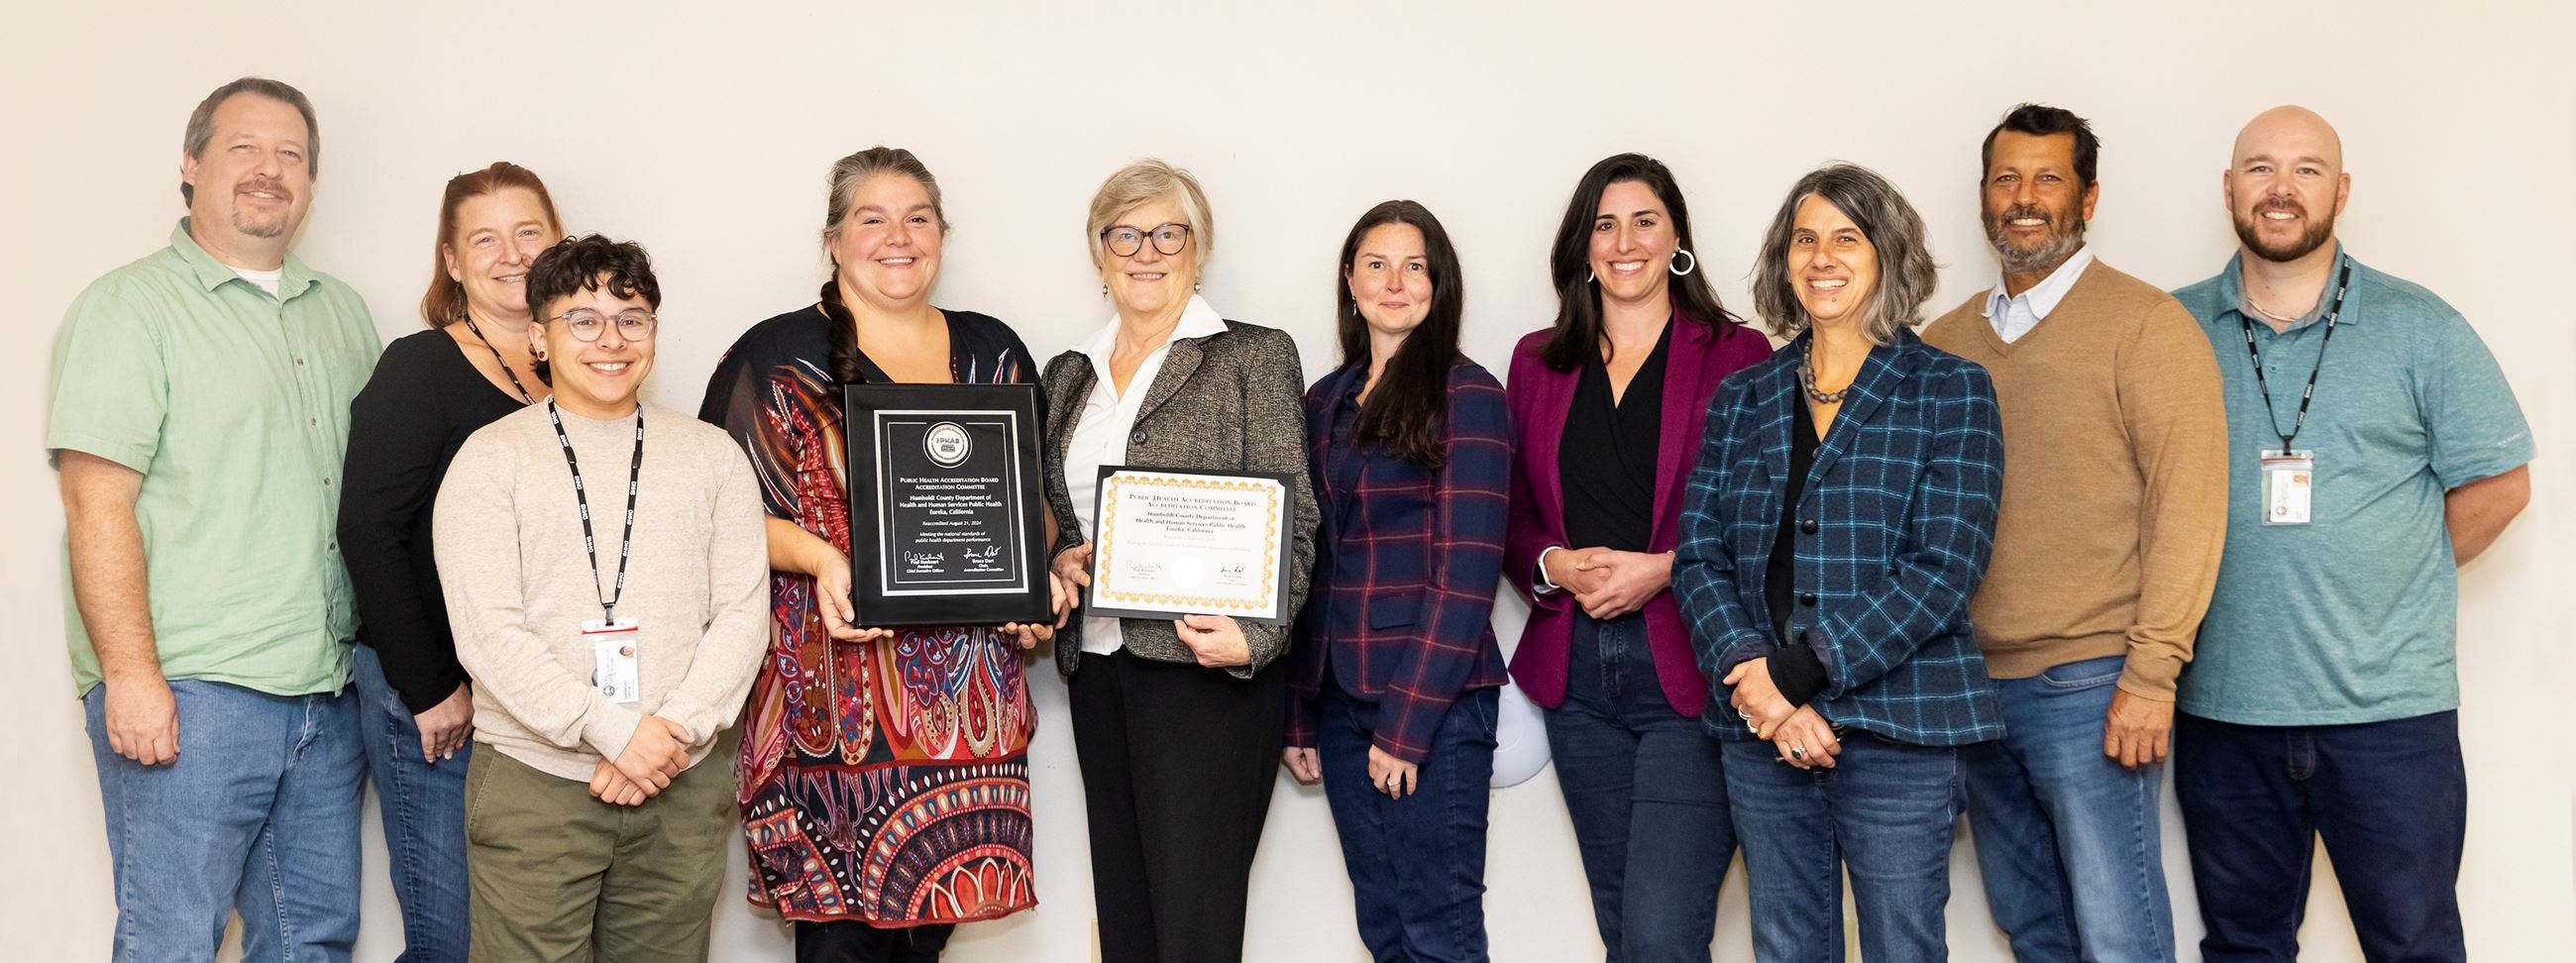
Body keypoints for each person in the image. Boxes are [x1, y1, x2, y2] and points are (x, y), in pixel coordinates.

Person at [2168, 106, 2532, 963]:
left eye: (2306, 169)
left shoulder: (2421, 326)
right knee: (2244, 948)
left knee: (2413, 946)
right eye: (2259, 168)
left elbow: (2501, 485)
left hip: (2390, 717)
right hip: (2226, 712)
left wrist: (2394, 569)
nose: (2281, 189)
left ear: (2342, 189)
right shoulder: (2169, 331)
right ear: (2229, 189)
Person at [698, 147, 1055, 962]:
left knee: (927, 942)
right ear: (833, 239)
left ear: (943, 235)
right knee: (838, 948)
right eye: (872, 218)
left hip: (967, 720)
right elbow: (715, 516)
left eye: (918, 218)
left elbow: (1030, 504)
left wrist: (1036, 576)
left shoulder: (993, 350)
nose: (898, 237)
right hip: (830, 710)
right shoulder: (775, 356)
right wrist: (824, 559)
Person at [50, 76, 375, 963]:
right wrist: (131, 676)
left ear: (312, 181)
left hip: (324, 693)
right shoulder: (129, 308)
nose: (269, 171)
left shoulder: (342, 314)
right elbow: (96, 501)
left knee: (312, 942)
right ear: (191, 166)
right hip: (191, 692)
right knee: (171, 943)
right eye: (243, 148)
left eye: (291, 155)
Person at [1674, 162, 2006, 963]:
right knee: (1787, 948)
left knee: (1903, 947)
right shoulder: (1743, 396)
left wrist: (1799, 675)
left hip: (1901, 728)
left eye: (1846, 238)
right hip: (1762, 731)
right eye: (1805, 240)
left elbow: (1943, 571)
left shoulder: (1952, 390)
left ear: (1888, 254)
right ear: (1784, 262)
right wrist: (1759, 682)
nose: (1822, 258)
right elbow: (1698, 554)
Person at [1921, 104, 2227, 963]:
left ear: (2088, 198)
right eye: (2006, 178)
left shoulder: (2148, 327)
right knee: (2034, 930)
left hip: (2091, 686)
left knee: (2117, 931)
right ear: (1983, 197)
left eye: (2048, 178)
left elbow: (2189, 505)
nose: (2025, 198)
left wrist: (2152, 673)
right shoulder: (1943, 345)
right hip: (1968, 690)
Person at [434, 235, 769, 963]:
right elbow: (488, 634)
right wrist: (614, 732)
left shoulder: (713, 456)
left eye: (632, 317)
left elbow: (743, 615)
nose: (610, 340)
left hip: (678, 781)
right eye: (581, 320)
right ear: (538, 337)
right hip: (537, 783)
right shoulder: (491, 460)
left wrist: (668, 732)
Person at [1038, 158, 1320, 963]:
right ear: (1099, 255)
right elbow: (1060, 517)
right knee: (1125, 921)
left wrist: (1256, 638)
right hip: (1099, 668)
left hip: (1205, 670)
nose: (1146, 251)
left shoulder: (1251, 357)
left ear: (1199, 249)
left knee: (1194, 929)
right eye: (1123, 234)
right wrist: (1059, 563)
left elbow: (1296, 519)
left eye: (1169, 232)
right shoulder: (1067, 374)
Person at [1497, 153, 1770, 962]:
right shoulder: (1537, 360)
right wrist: (1555, 565)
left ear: (1675, 236)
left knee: (1660, 934)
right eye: (1604, 224)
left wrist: (1665, 567)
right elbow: (1511, 513)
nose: (1624, 242)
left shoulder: (1737, 354)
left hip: (1690, 673)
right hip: (1575, 678)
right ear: (1582, 245)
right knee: (1623, 928)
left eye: (1644, 221)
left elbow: (1761, 518)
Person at [336, 160, 565, 962]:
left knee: (517, 935)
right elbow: (368, 531)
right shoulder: (419, 368)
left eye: (529, 232)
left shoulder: (584, 367)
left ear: (559, 242)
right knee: (452, 939)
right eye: (485, 239)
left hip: (535, 700)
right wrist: (431, 688)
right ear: (453, 262)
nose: (512, 254)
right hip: (433, 697)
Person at [1280, 200, 1513, 962]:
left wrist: (1405, 730)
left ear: (1438, 284)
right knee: (1382, 926)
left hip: (1434, 709)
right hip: (1342, 701)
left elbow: (1467, 576)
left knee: (1438, 931)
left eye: (1415, 266)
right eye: (1375, 264)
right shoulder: (1324, 401)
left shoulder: (1468, 393)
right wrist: (1300, 715)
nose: (1394, 282)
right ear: (1350, 281)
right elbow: (1310, 563)